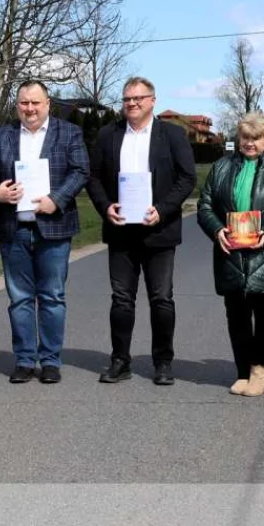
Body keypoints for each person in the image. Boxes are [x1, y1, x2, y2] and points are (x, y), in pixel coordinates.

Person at [86, 76, 196, 385]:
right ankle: (120, 361)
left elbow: (187, 178)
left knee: (161, 298)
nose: (132, 103)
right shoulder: (108, 134)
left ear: (152, 101)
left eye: (138, 98)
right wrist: (105, 206)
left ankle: (163, 362)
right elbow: (93, 177)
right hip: (121, 230)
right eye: (127, 99)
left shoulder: (172, 135)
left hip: (158, 230)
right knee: (121, 299)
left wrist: (163, 209)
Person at [0, 80, 89, 385]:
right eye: (24, 103)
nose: (29, 109)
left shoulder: (69, 133)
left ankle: (51, 360)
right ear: (17, 105)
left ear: (47, 104)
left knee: (52, 296)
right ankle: (25, 360)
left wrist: (57, 199)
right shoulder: (2, 135)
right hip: (13, 228)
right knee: (19, 299)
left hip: (54, 227)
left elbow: (81, 170)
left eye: (35, 103)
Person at [196, 112, 264, 397]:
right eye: (245, 137)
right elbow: (205, 205)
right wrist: (217, 230)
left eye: (256, 138)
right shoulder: (221, 167)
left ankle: (259, 369)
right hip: (231, 253)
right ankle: (242, 371)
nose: (249, 143)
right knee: (236, 315)